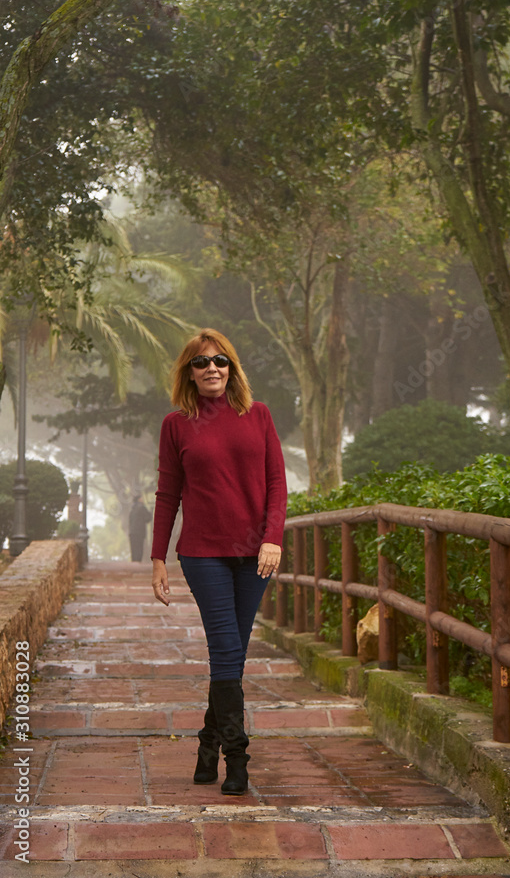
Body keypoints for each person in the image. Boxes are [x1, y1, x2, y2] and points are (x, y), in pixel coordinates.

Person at [151, 328, 286, 796]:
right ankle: (238, 758)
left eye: (220, 360)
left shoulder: (258, 414)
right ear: (188, 372)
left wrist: (272, 539)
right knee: (226, 650)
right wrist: (158, 558)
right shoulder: (176, 425)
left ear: (232, 367)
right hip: (203, 554)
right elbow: (167, 494)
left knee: (234, 653)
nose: (212, 368)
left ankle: (208, 747)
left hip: (255, 556)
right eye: (201, 362)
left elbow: (277, 483)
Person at [128, 494, 151, 562]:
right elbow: (148, 519)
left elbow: (130, 521)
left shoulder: (132, 509)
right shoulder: (142, 507)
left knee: (134, 548)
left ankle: (134, 563)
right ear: (139, 499)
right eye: (141, 498)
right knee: (139, 547)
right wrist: (150, 512)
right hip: (140, 532)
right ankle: (138, 562)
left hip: (132, 532)